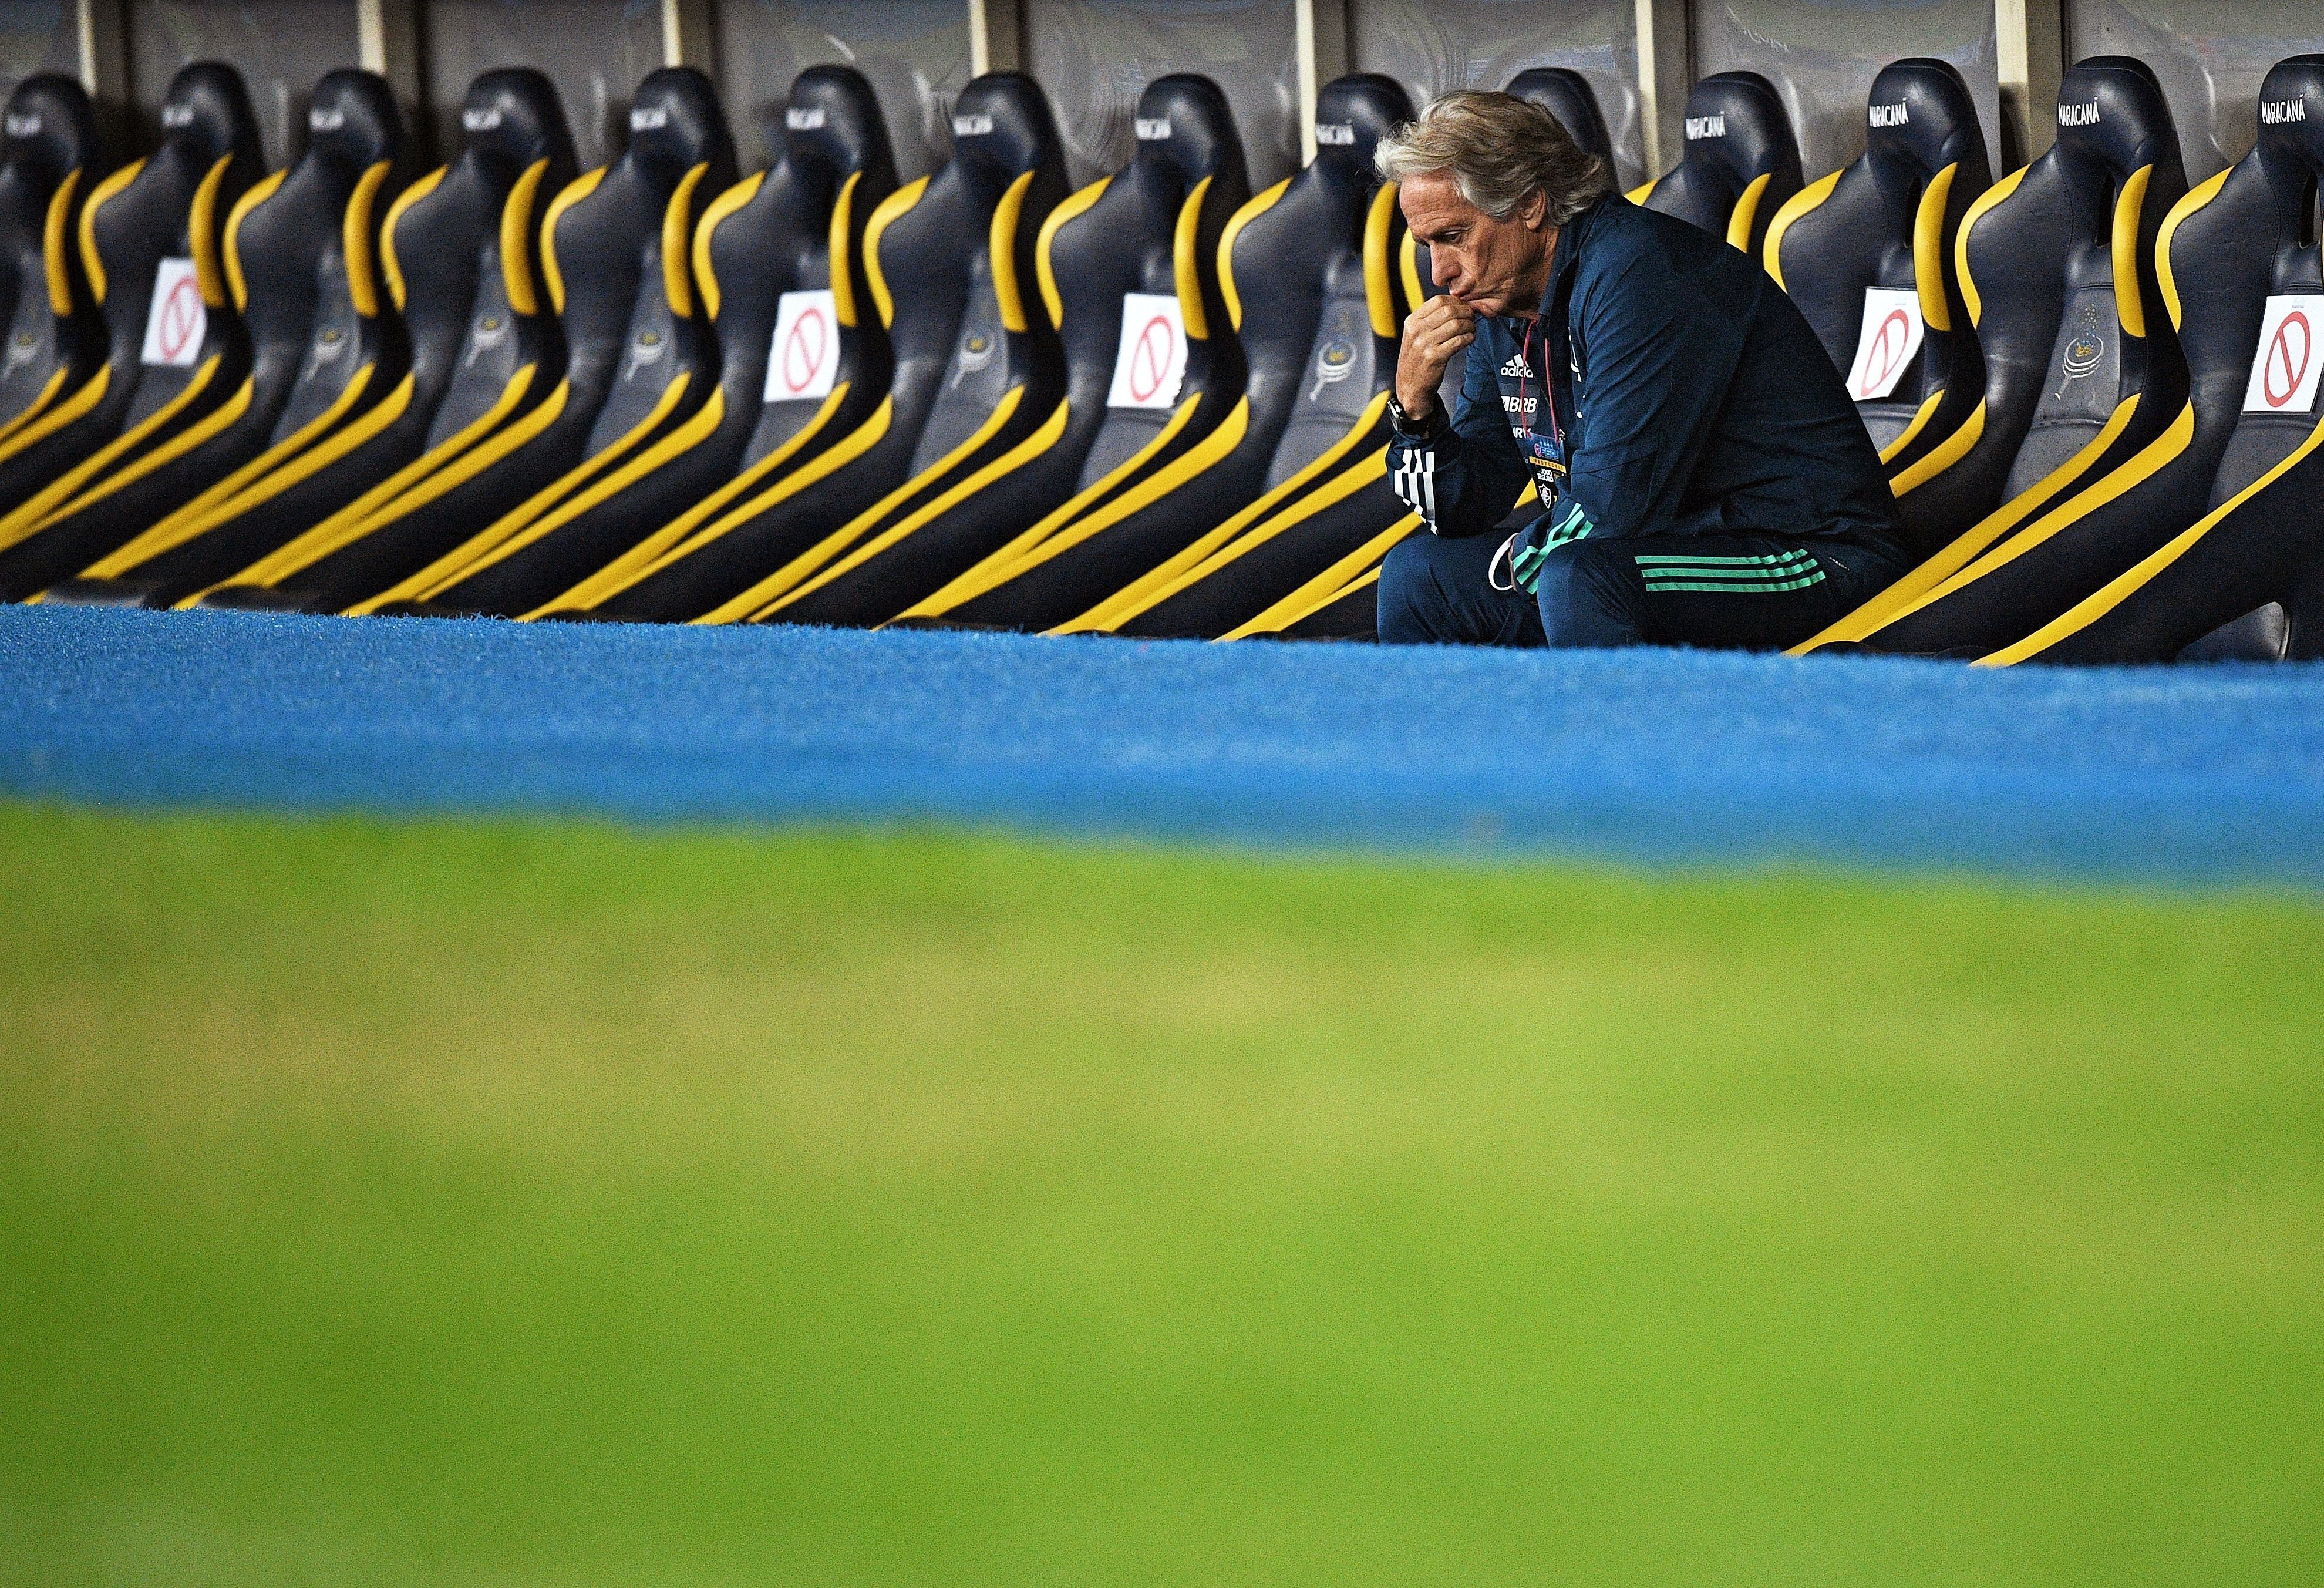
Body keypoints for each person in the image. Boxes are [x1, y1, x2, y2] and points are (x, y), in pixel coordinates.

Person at [1376, 91, 1909, 648]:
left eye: (1454, 237)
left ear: (1530, 206)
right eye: (1426, 244)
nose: (1440, 273)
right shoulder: (1503, 303)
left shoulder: (1638, 271)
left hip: (1810, 552)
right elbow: (1461, 511)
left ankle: (1609, 738)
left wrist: (1512, 567)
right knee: (1419, 577)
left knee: (1582, 580)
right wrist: (1414, 413)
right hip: (1659, 542)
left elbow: (1615, 505)